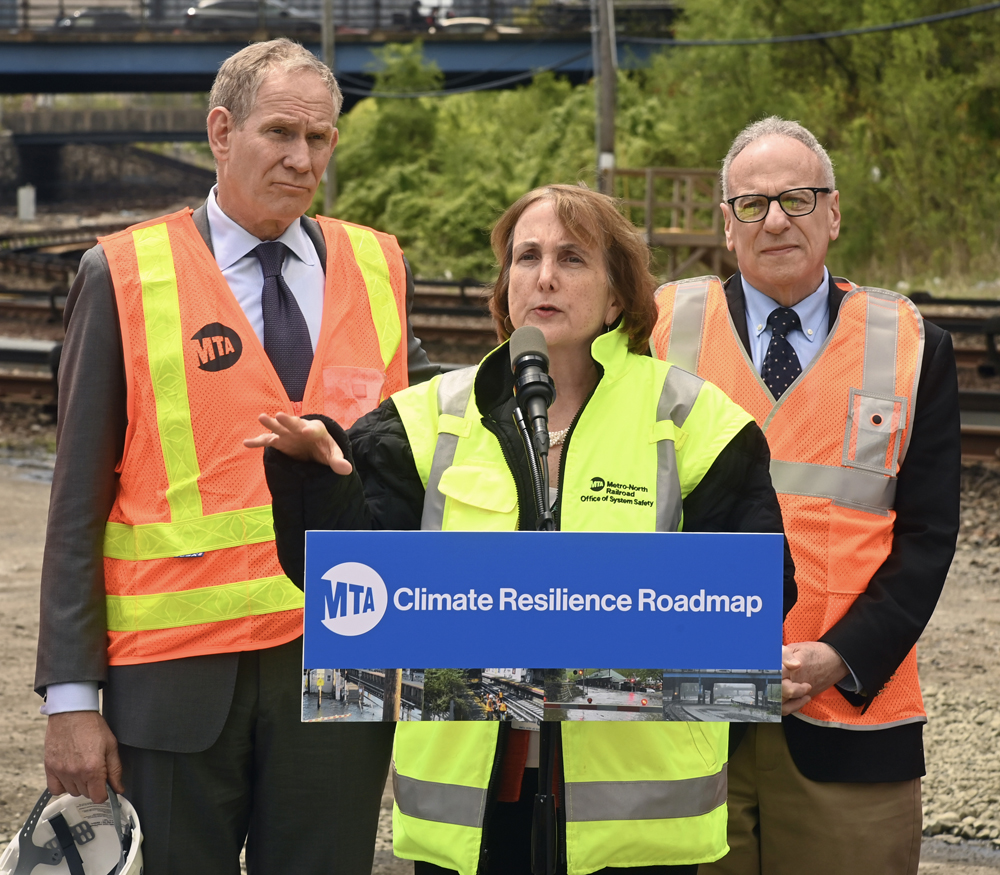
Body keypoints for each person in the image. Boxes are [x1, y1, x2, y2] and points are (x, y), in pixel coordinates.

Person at [250, 183, 799, 875]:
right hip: (477, 816)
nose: (543, 276)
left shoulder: (698, 422)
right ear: (505, 284)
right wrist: (316, 482)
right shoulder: (421, 420)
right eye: (526, 256)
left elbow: (749, 603)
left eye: (572, 258)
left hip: (637, 827)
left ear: (617, 295)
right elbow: (353, 595)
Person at [34, 39, 436, 875]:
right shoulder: (123, 274)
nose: (301, 158)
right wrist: (71, 701)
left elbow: (406, 470)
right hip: (177, 680)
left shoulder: (378, 265)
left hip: (345, 653)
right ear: (221, 131)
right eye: (279, 132)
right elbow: (75, 503)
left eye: (319, 139)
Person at [650, 117, 961, 875]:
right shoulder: (657, 330)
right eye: (753, 204)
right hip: (682, 719)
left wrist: (839, 657)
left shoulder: (913, 343)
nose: (777, 219)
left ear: (834, 211)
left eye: (798, 197)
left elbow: (929, 535)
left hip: (849, 719)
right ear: (726, 225)